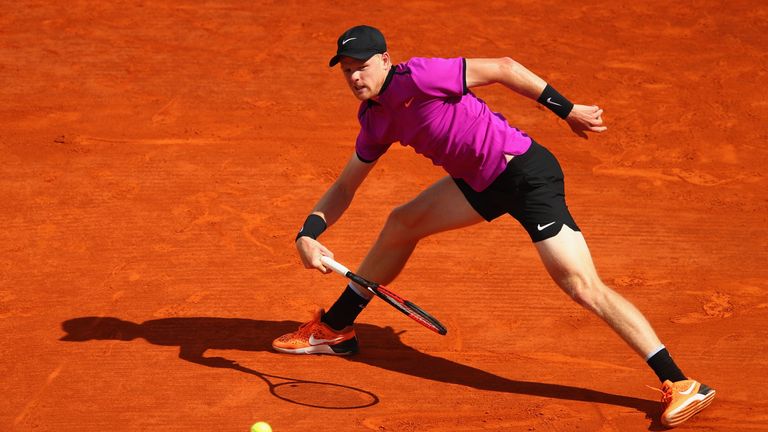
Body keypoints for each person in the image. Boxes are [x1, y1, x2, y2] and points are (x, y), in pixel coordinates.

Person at [272, 25, 715, 427]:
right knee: (402, 223)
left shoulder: (420, 76)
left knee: (582, 285)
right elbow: (345, 185)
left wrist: (568, 110)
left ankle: (680, 382)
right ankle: (336, 328)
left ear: (385, 60)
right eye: (347, 70)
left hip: (525, 176)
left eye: (362, 66)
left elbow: (503, 68)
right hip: (478, 183)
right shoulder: (375, 119)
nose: (355, 77)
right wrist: (307, 234)